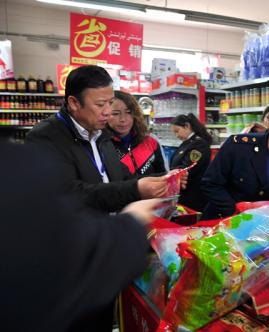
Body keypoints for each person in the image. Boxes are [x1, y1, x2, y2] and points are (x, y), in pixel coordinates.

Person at [0, 141, 162, 331]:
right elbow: (63, 239)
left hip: (100, 276)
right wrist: (131, 222)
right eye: (100, 108)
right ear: (75, 108)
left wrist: (153, 181)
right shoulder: (42, 145)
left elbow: (123, 177)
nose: (107, 112)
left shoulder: (104, 141)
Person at [26, 65, 172, 213]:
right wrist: (136, 189)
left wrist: (164, 178)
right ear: (74, 103)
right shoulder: (45, 137)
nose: (108, 112)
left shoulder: (101, 134)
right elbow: (70, 194)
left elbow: (123, 178)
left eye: (110, 103)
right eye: (100, 104)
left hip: (107, 230)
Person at [201, 100, 269, 220]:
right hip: (220, 223)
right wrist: (235, 213)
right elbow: (210, 183)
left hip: (262, 231)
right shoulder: (238, 146)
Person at [107, 90, 166, 176]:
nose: (123, 119)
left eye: (128, 112)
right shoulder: (102, 145)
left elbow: (162, 176)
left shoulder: (151, 142)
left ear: (135, 114)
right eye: (115, 113)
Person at [170, 113, 212, 211]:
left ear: (187, 126)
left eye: (177, 131)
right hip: (185, 192)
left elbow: (190, 167)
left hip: (194, 194)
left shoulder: (199, 144)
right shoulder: (188, 143)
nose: (176, 135)